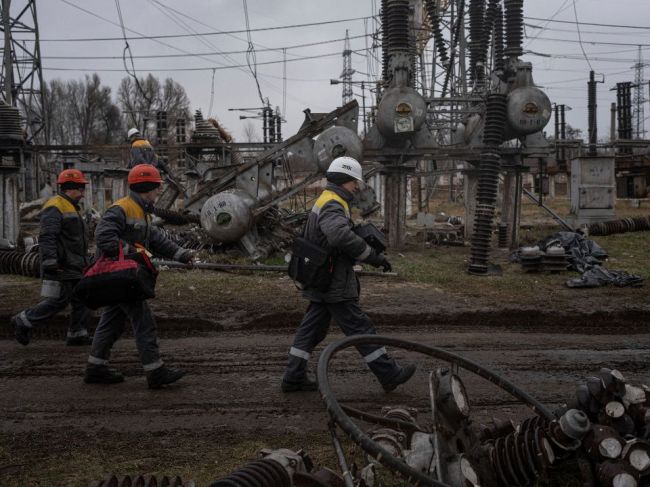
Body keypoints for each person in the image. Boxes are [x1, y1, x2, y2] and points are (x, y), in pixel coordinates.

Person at [281, 156, 416, 393]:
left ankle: (293, 376)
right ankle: (389, 374)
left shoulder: (328, 199)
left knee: (311, 330)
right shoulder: (334, 203)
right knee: (361, 328)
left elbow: (333, 234)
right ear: (345, 180)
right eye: (355, 182)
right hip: (333, 281)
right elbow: (338, 236)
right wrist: (372, 256)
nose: (357, 187)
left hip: (321, 277)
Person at [84, 164, 195, 389]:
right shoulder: (122, 209)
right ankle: (155, 371)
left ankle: (96, 367)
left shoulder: (140, 210)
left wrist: (182, 255)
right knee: (144, 322)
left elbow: (154, 238)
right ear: (146, 188)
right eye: (156, 188)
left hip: (122, 277)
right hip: (120, 276)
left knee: (111, 321)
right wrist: (133, 254)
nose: (158, 193)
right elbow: (103, 236)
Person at [11, 168, 93, 346]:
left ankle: (77, 333)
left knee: (82, 296)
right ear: (70, 188)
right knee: (59, 300)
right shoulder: (55, 206)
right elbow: (47, 236)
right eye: (80, 189)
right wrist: (50, 262)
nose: (83, 193)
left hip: (74, 264)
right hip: (61, 265)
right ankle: (24, 320)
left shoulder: (69, 206)